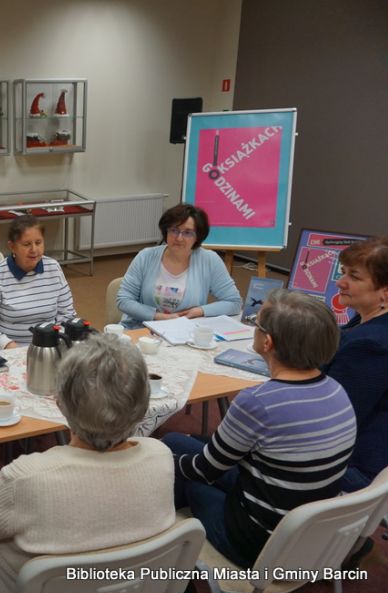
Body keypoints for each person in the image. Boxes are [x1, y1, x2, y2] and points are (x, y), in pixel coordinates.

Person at [0, 336, 175, 593]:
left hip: (22, 590)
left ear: (59, 404)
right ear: (143, 409)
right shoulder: (161, 456)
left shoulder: (27, 478)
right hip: (133, 591)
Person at [163, 290, 356, 569]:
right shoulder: (336, 390)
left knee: (183, 471)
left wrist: (157, 462)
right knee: (176, 441)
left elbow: (205, 471)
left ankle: (165, 557)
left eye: (256, 323)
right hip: (313, 534)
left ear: (267, 342)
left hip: (259, 543)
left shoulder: (258, 401)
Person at [323, 236, 388, 493]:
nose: (340, 282)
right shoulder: (365, 323)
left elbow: (331, 420)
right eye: (343, 272)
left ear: (385, 292)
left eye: (354, 277)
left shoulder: (371, 345)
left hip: (350, 470)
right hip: (353, 457)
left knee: (198, 460)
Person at [116, 205, 241, 329]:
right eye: (174, 230)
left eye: (187, 233)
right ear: (166, 231)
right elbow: (124, 300)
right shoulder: (146, 256)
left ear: (198, 236)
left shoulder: (209, 260)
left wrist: (199, 311)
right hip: (141, 331)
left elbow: (234, 303)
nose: (179, 238)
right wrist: (159, 316)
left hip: (184, 333)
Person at [0, 215, 75, 349]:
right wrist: (8, 345)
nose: (34, 250)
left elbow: (67, 314)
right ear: (12, 247)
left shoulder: (53, 268)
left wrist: (57, 339)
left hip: (48, 346)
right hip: (9, 350)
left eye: (38, 242)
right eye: (26, 244)